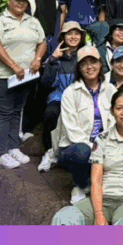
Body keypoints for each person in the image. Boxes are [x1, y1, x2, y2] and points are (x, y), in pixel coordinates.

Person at [51, 89, 123, 225]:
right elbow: (96, 179)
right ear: (112, 112)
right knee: (64, 218)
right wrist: (99, 214)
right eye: (119, 108)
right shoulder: (101, 139)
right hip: (102, 200)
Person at [0, 0, 47, 169]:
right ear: (9, 0)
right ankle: (1, 153)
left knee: (16, 111)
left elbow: (42, 41)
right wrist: (14, 66)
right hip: (2, 76)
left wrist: (37, 59)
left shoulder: (32, 21)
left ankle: (13, 147)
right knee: (3, 112)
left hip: (24, 77)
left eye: (24, 0)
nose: (20, 3)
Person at [57, 46, 117, 203]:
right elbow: (72, 131)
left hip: (104, 144)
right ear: (79, 68)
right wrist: (96, 149)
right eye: (84, 64)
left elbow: (115, 120)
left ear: (100, 64)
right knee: (82, 152)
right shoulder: (71, 93)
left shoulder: (110, 89)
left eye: (93, 62)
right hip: (76, 146)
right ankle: (81, 185)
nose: (90, 67)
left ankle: (100, 184)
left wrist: (108, 145)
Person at [37, 21, 86, 172]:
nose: (73, 36)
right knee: (51, 113)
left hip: (81, 96)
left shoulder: (85, 55)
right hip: (59, 95)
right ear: (63, 37)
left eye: (76, 33)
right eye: (69, 33)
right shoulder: (56, 56)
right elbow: (46, 83)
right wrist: (53, 60)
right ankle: (50, 152)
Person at [22, 0, 59, 143]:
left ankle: (41, 120)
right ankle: (26, 124)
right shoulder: (30, 2)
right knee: (31, 84)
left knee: (47, 82)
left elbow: (60, 23)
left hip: (52, 45)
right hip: (35, 46)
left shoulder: (57, 2)